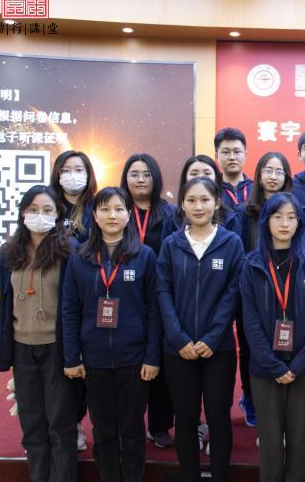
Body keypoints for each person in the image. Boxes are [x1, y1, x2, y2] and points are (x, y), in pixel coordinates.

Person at [61, 187, 161, 482]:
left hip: (134, 360)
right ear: (94, 215)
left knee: (132, 430)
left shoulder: (144, 256)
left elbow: (154, 311)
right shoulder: (80, 257)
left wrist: (152, 357)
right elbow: (70, 309)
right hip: (94, 360)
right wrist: (72, 357)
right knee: (103, 431)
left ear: (128, 214)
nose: (112, 215)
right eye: (105, 209)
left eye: (118, 209)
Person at [156, 177, 244, 482]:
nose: (198, 206)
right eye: (191, 200)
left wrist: (213, 337)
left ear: (216, 202)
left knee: (218, 417)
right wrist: (178, 337)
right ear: (182, 204)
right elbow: (163, 293)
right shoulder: (171, 244)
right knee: (185, 418)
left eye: (205, 200)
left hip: (218, 349)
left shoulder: (231, 243)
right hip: (177, 349)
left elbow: (232, 293)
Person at [240, 193, 305, 482]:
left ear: (299, 222)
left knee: (301, 442)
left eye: (291, 217)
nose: (285, 223)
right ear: (266, 221)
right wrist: (273, 365)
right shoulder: (251, 265)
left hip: (304, 367)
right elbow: (250, 322)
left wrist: (299, 364)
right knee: (270, 444)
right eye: (278, 217)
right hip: (264, 369)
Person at [0, 185, 77, 482]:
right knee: (32, 424)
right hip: (22, 347)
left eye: (47, 210)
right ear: (22, 213)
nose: (39, 215)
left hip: (57, 348)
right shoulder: (9, 252)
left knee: (60, 424)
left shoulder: (69, 251)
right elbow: (6, 304)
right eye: (33, 209)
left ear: (57, 214)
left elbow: (74, 305)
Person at [232, 151, 293, 429]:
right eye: (268, 170)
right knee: (249, 348)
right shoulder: (244, 212)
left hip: (286, 292)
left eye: (279, 171)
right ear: (258, 175)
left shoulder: (295, 210)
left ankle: (285, 400)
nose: (273, 176)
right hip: (253, 290)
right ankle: (252, 400)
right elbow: (239, 252)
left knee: (284, 345)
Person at [120, 153, 176, 449]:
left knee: (161, 365)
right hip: (124, 298)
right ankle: (128, 426)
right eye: (134, 174)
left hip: (159, 296)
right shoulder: (116, 209)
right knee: (128, 366)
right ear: (125, 178)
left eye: (146, 174)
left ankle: (159, 424)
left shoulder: (169, 213)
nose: (141, 180)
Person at [50, 149, 96, 452]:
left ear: (88, 174)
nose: (72, 175)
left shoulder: (96, 207)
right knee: (58, 366)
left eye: (79, 169)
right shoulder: (48, 205)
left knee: (83, 366)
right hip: (52, 294)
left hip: (88, 296)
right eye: (66, 170)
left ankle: (78, 420)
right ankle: (62, 424)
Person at [162, 155, 237, 243]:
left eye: (207, 173)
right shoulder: (172, 219)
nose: (200, 178)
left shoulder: (230, 218)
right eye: (194, 174)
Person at [215, 127, 253, 209]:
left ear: (245, 155)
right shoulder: (212, 188)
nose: (232, 157)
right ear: (217, 156)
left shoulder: (256, 188)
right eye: (226, 152)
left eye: (237, 152)